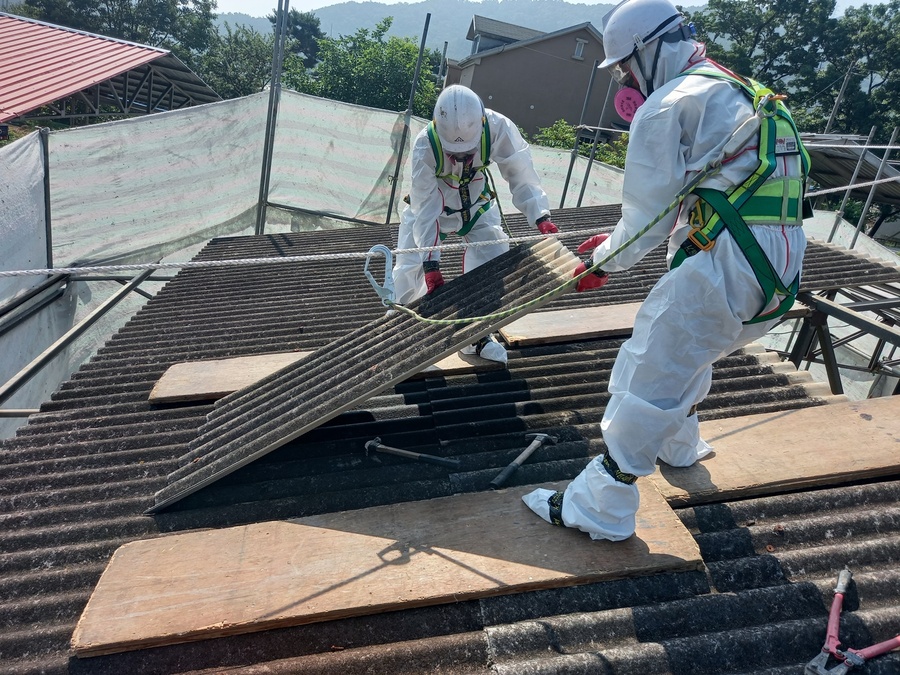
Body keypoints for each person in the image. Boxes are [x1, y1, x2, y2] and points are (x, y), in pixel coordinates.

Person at [523, 0, 811, 540]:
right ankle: (679, 442)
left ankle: (602, 501)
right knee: (694, 346)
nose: (629, 80)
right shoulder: (741, 90)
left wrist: (601, 264)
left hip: (731, 262)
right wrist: (613, 242)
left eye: (628, 67)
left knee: (650, 362)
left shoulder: (667, 104)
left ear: (646, 50)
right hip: (781, 265)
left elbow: (647, 219)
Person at [392, 84, 558, 363]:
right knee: (409, 270)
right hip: (432, 209)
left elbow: (521, 173)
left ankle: (476, 335)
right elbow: (425, 211)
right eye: (454, 153)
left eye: (467, 152)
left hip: (476, 206)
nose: (461, 159)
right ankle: (398, 332)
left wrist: (540, 216)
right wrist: (431, 264)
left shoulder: (498, 127)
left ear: (481, 124)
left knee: (493, 259)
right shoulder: (425, 146)